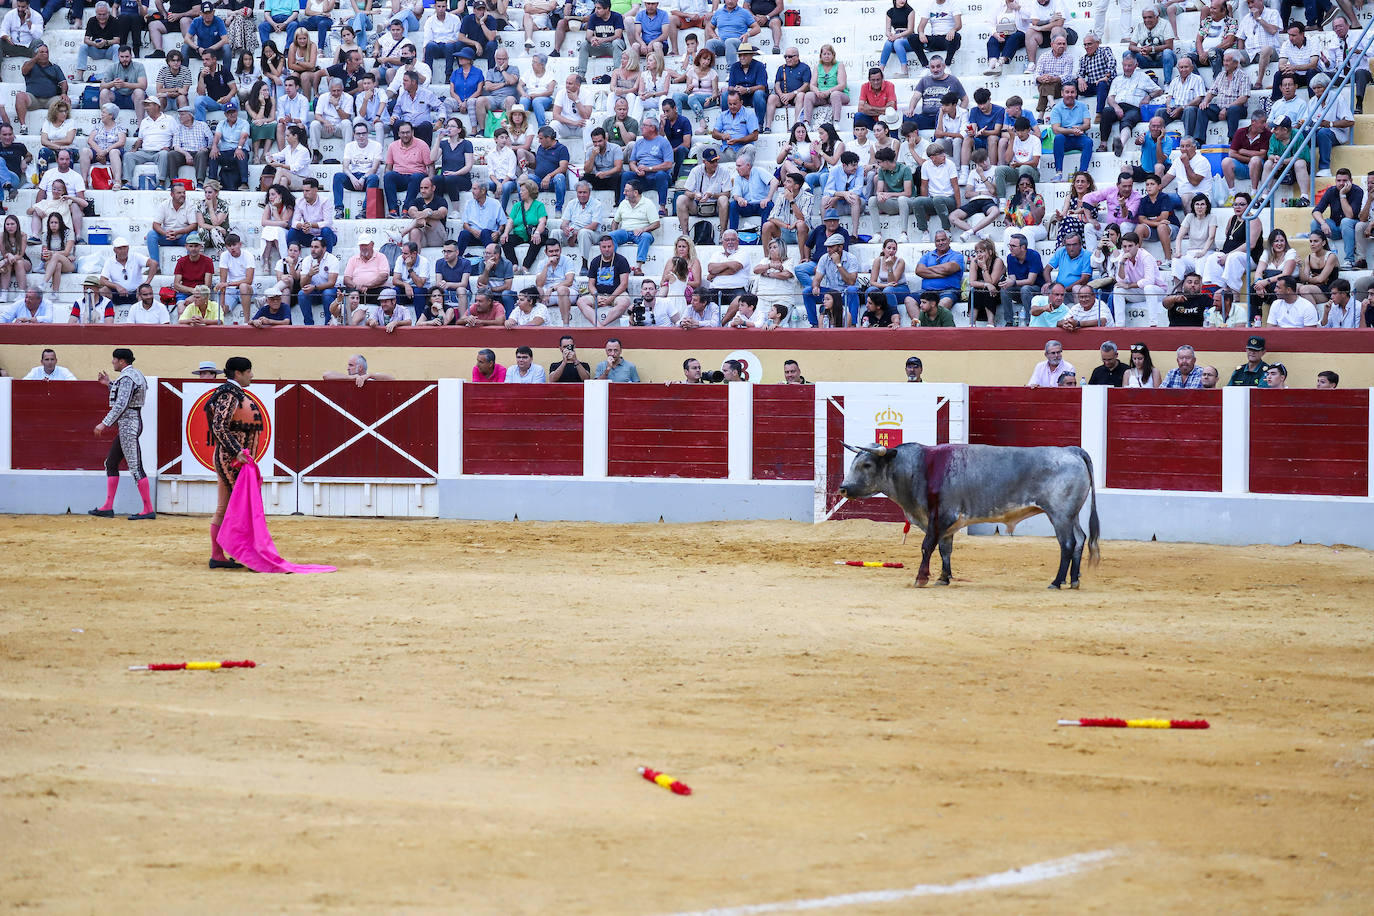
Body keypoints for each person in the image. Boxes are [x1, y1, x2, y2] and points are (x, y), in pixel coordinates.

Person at [86, 347, 156, 520]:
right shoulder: (135, 374)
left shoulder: (127, 377)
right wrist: (108, 384)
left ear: (122, 361)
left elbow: (121, 404)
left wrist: (104, 423)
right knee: (111, 463)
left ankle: (148, 509)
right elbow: (126, 395)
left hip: (128, 426)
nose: (113, 362)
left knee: (135, 467)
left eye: (114, 360)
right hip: (130, 424)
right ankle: (108, 507)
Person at [579, 235, 632, 327]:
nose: (607, 249)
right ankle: (598, 325)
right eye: (604, 247)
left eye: (609, 246)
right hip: (598, 294)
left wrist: (610, 299)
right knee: (581, 302)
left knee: (624, 303)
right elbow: (591, 285)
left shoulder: (621, 260)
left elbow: (624, 284)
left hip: (617, 294)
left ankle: (602, 326)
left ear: (613, 246)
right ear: (600, 248)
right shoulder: (595, 261)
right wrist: (596, 296)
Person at [323, 354, 395, 384]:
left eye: (351, 365)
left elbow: (392, 379)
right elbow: (326, 375)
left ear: (360, 367)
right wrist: (350, 377)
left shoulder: (371, 379)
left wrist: (370, 375)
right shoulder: (346, 378)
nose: (348, 368)